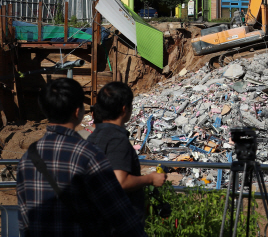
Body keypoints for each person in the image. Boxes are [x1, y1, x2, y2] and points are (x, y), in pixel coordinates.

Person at [16, 78, 146, 237]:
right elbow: (117, 210)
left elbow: (24, 219)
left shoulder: (28, 158)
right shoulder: (89, 155)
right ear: (78, 112)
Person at [88, 82, 166, 221]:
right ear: (125, 109)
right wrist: (151, 179)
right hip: (120, 223)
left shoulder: (93, 137)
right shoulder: (117, 140)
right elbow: (120, 182)